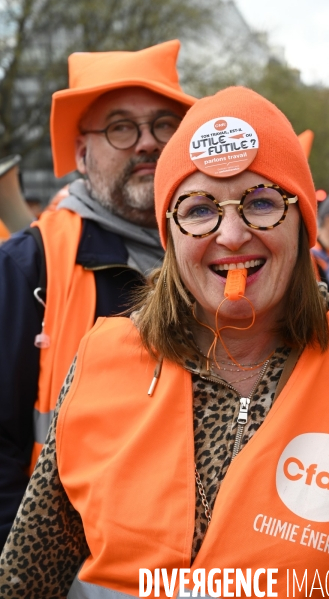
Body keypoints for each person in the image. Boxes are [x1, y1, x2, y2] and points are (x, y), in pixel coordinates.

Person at [1, 86, 329, 599]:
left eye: (260, 203)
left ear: (302, 224)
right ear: (171, 233)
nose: (231, 235)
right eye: (199, 209)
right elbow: (24, 580)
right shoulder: (101, 359)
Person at [0, 40, 196, 550]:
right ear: (83, 153)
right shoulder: (27, 267)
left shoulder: (225, 254)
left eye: (163, 125)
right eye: (121, 127)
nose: (147, 143)